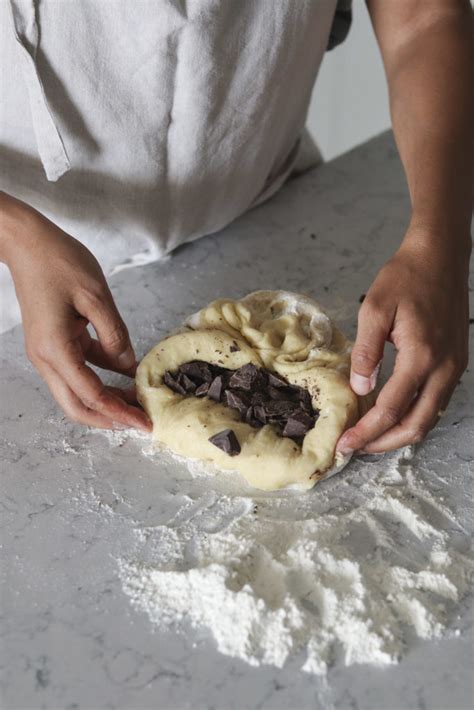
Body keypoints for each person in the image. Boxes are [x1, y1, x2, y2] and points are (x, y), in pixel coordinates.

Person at [0, 1, 472, 453]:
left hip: (270, 211)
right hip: (24, 275)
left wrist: (441, 242)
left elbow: (423, 18)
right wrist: (13, 234)